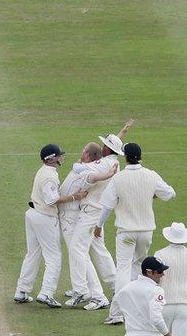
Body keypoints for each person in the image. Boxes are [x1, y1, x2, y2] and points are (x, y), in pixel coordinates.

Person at [95, 143, 176, 324]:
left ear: (125, 157)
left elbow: (107, 205)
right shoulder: (151, 175)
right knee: (138, 268)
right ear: (141, 156)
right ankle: (136, 308)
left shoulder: (119, 178)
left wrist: (99, 225)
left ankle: (116, 313)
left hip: (126, 232)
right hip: (146, 232)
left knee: (123, 270)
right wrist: (152, 193)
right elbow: (170, 194)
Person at [65, 119, 134, 310]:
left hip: (91, 213)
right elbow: (106, 154)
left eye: (104, 145)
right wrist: (122, 132)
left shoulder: (104, 165)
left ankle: (83, 291)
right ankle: (115, 287)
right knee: (99, 251)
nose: (101, 147)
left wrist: (82, 165)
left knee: (77, 248)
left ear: (106, 149)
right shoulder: (111, 162)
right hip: (98, 213)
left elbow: (78, 168)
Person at [13, 144, 87, 308]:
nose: (62, 157)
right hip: (44, 217)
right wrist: (76, 196)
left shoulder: (45, 171)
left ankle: (21, 291)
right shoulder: (49, 176)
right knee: (54, 258)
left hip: (34, 215)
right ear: (52, 158)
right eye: (59, 155)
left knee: (32, 254)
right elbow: (51, 200)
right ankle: (46, 293)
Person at [113, 256, 171, 336]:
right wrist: (167, 334)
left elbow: (117, 308)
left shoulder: (125, 289)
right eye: (160, 271)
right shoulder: (157, 291)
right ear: (149, 272)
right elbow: (156, 319)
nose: (163, 274)